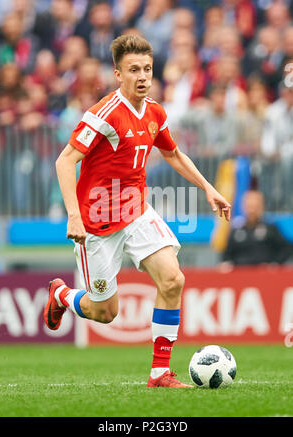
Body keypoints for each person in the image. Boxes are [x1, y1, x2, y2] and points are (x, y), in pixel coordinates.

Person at [44, 34, 231, 388]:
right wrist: (73, 215)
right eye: (134, 70)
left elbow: (173, 153)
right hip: (97, 224)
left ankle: (160, 372)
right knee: (105, 312)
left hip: (136, 211)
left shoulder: (155, 112)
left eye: (147, 68)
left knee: (173, 279)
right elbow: (65, 161)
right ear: (118, 74)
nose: (143, 76)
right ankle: (62, 295)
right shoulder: (103, 114)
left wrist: (208, 188)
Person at [221, 190, 293, 267]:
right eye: (249, 206)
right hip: (241, 275)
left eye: (255, 206)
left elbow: (286, 249)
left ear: (261, 206)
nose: (251, 210)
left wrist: (274, 264)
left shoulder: (270, 229)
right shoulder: (236, 231)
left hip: (264, 275)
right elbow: (226, 256)